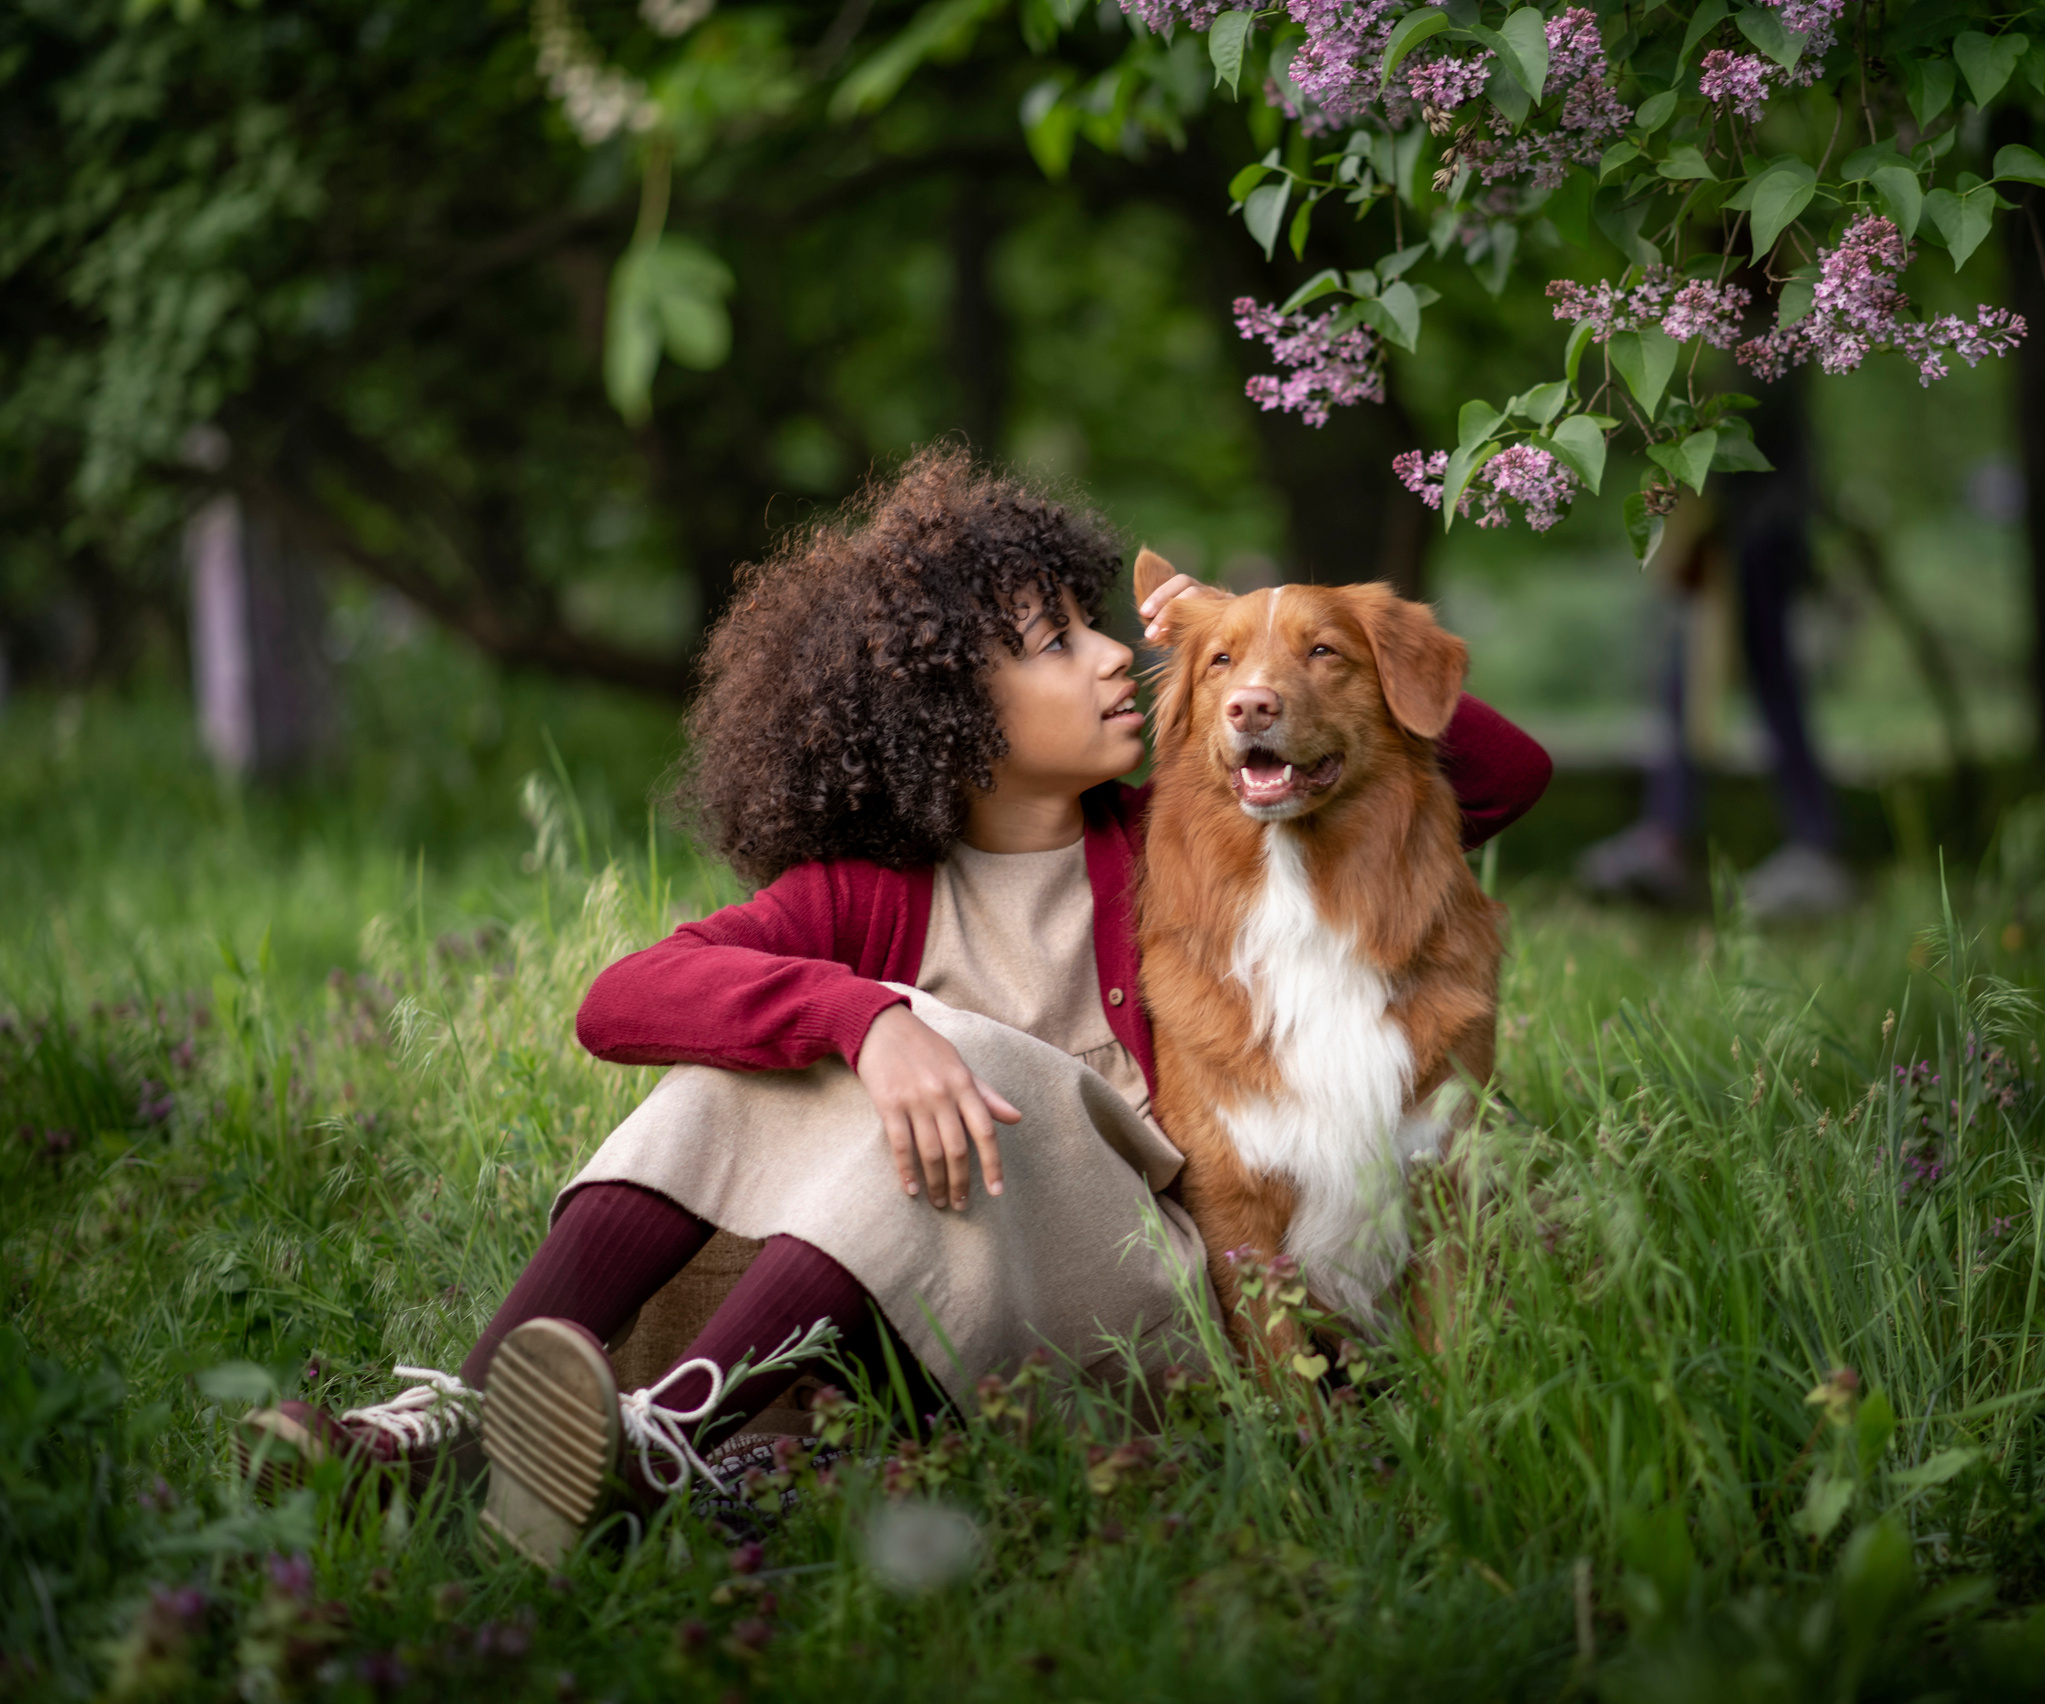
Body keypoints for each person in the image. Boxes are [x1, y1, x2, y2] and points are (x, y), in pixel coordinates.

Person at [239, 450, 1552, 1563]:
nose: (1112, 659)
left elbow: (1492, 773)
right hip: (938, 1318)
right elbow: (621, 1001)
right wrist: (867, 1022)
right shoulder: (868, 900)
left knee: (976, 1055)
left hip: (1153, 1311)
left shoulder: (1179, 845)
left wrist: (1234, 624)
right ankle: (454, 1425)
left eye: (1099, 627)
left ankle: (669, 1429)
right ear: (946, 710)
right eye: (1055, 643)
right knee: (744, 1068)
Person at [1575, 372, 1854, 919]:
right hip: (1732, 535)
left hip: (1756, 537)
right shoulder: (1727, 339)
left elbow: (1730, 440)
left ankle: (1810, 844)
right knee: (1692, 684)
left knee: (1763, 682)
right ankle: (1671, 834)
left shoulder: (1771, 348)